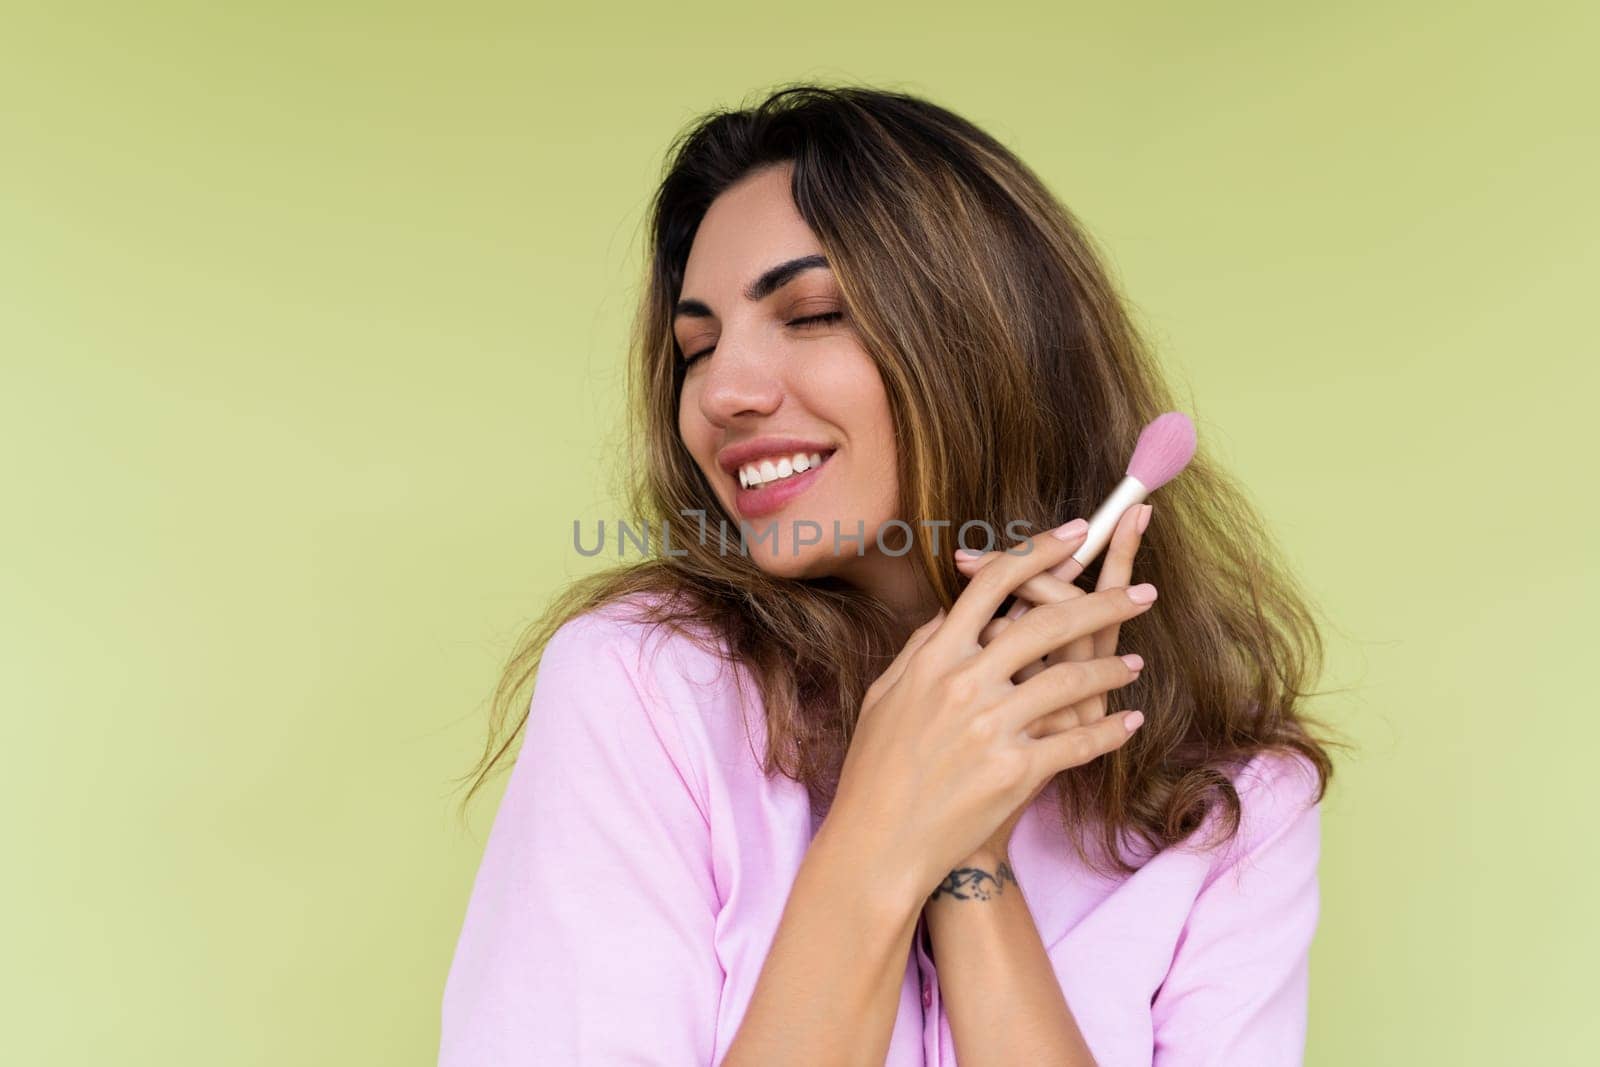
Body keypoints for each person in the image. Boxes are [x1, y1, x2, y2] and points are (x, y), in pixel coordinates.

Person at [439, 84, 1344, 1066]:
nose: (725, 392)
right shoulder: (645, 688)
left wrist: (968, 861)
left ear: (983, 341)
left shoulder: (1233, 805)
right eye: (697, 348)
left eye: (814, 312)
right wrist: (880, 828)